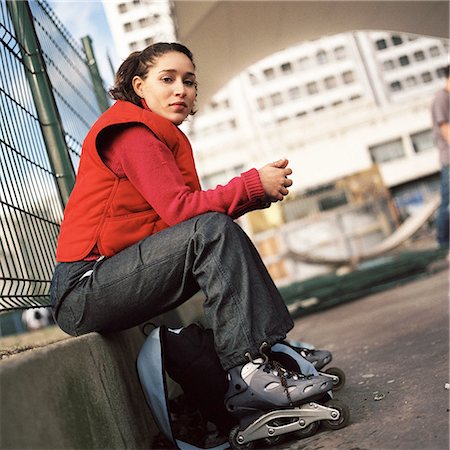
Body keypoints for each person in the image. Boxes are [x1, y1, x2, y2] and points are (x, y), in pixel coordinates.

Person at [50, 43, 331, 429]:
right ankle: (250, 374)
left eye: (189, 81)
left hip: (111, 277)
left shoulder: (158, 135)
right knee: (213, 230)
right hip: (83, 289)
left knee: (217, 229)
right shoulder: (132, 132)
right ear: (140, 86)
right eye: (167, 79)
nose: (181, 89)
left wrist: (249, 197)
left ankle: (267, 354)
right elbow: (183, 212)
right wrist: (250, 186)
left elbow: (177, 227)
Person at [431, 65, 450, 249]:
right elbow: (445, 129)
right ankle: (443, 243)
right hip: (449, 159)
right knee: (448, 203)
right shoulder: (442, 98)